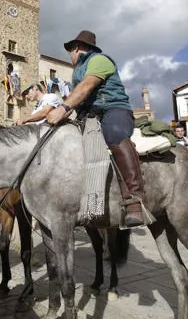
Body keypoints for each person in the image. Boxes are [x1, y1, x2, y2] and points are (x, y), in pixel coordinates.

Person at [46, 30, 146, 227]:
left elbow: (86, 87)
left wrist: (63, 108)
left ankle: (135, 199)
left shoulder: (99, 60)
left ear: (76, 48)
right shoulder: (78, 70)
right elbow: (79, 95)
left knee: (114, 133)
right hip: (89, 115)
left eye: (70, 52)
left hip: (114, 109)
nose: (70, 57)